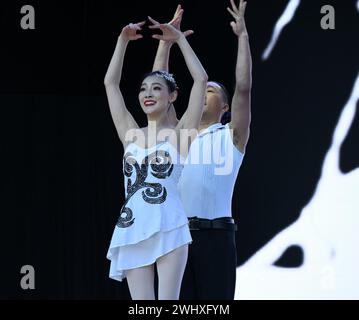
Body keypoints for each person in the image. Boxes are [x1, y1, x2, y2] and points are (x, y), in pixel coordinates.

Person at [152, 0, 252, 300]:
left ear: (224, 107)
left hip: (217, 237)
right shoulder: (177, 132)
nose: (204, 93)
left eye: (210, 91)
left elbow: (244, 87)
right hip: (177, 237)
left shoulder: (231, 137)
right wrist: (167, 44)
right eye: (202, 90)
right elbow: (158, 84)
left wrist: (243, 37)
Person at [104, 15, 208, 300]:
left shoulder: (181, 133)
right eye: (143, 89)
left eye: (156, 88)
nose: (147, 94)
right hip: (133, 224)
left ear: (172, 96)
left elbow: (200, 80)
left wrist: (181, 40)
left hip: (170, 224)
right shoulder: (130, 133)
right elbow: (111, 84)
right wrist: (122, 41)